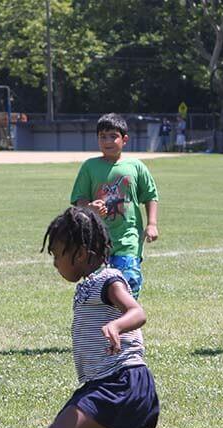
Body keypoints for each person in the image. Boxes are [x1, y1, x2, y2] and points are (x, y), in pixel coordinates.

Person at [39, 207, 159, 428]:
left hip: (123, 380)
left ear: (80, 254)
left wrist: (116, 324)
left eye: (58, 254)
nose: (54, 262)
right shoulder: (88, 283)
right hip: (102, 383)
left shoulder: (108, 280)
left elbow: (137, 311)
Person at [71, 113, 159, 299]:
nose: (107, 141)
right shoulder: (90, 167)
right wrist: (90, 209)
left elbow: (151, 195)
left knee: (129, 283)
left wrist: (152, 223)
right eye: (103, 137)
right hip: (96, 242)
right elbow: (79, 201)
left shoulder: (135, 167)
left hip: (128, 240)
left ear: (124, 139)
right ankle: (103, 323)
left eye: (113, 136)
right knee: (97, 288)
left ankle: (126, 323)